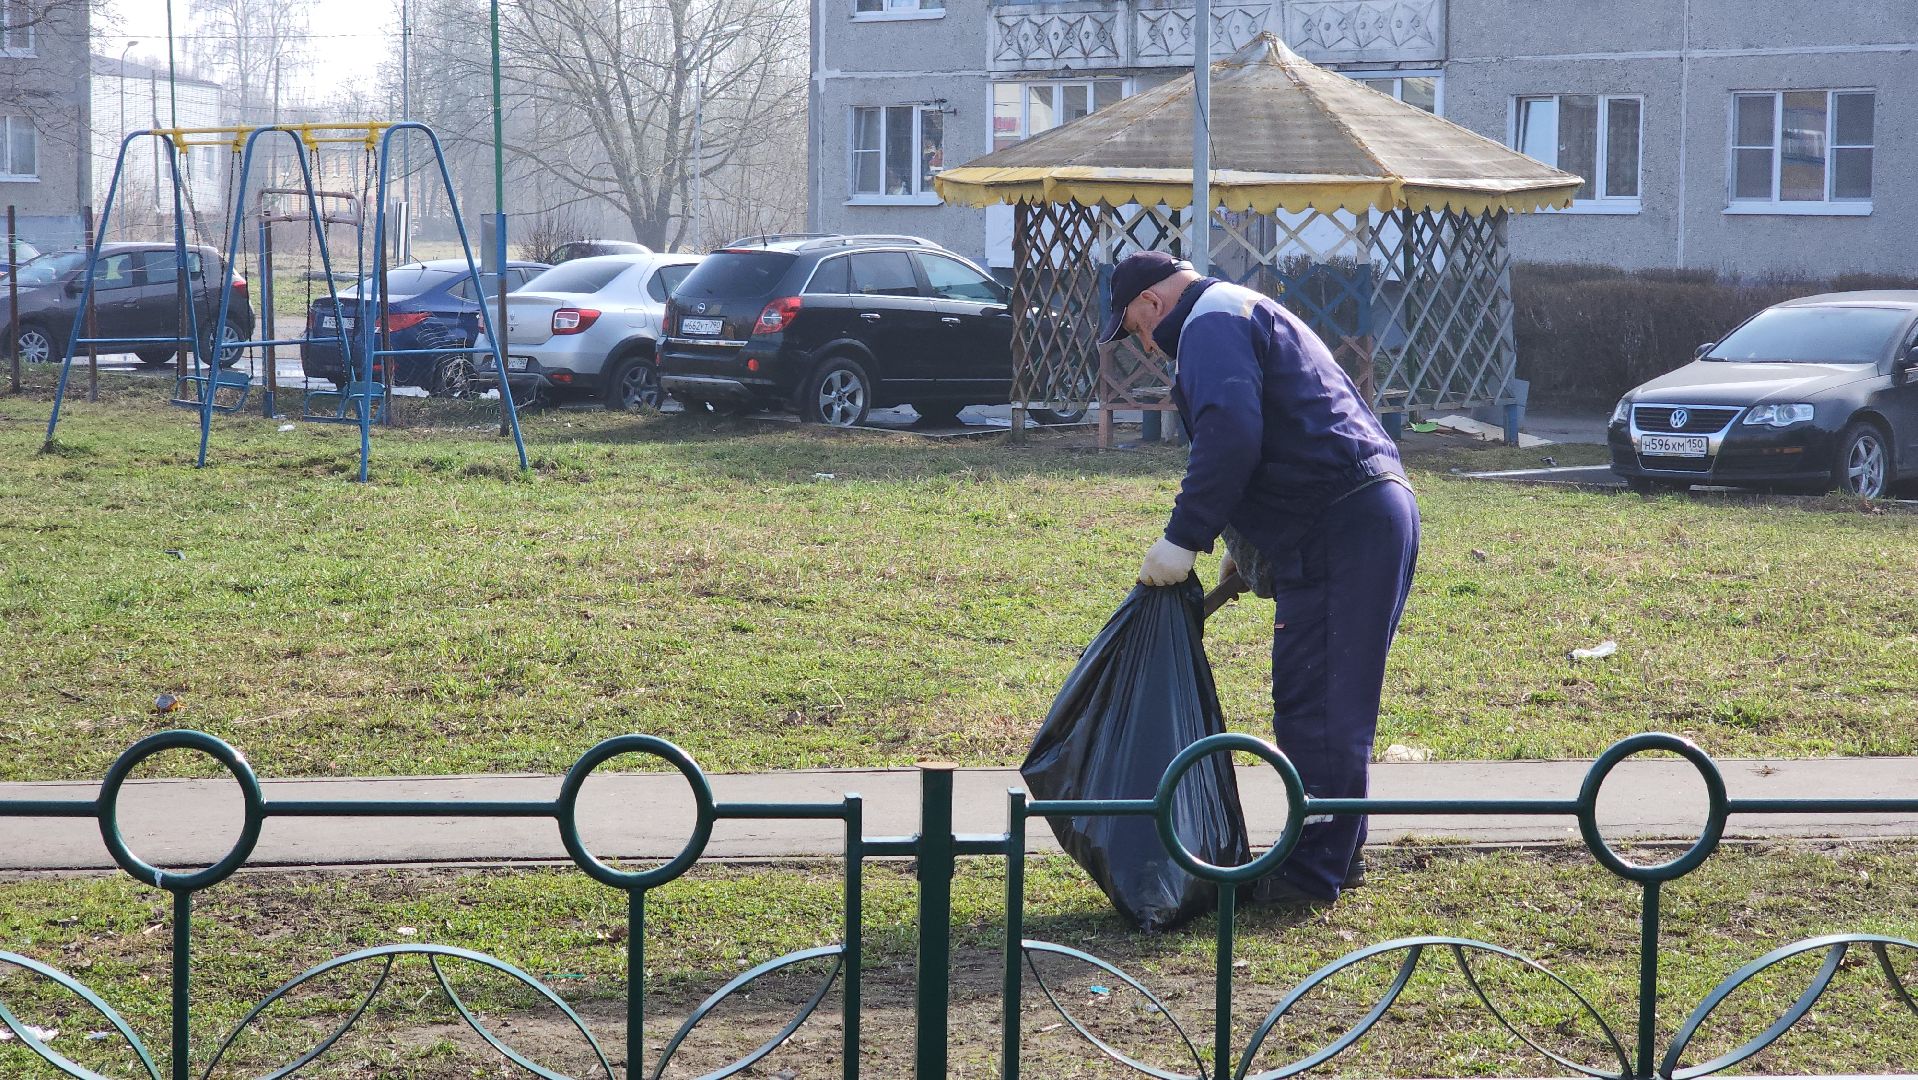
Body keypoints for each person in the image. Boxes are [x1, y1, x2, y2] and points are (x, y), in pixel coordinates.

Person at [1100, 251, 1420, 905]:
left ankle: (1309, 879)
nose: (1144, 345)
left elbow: (1232, 437)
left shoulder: (1206, 327)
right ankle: (1337, 857)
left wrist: (1182, 539)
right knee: (1331, 703)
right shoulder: (1243, 308)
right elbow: (1291, 421)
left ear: (1153, 304)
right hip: (1364, 512)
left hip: (1340, 525)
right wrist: (1248, 545)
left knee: (1319, 707)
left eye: (1134, 328)